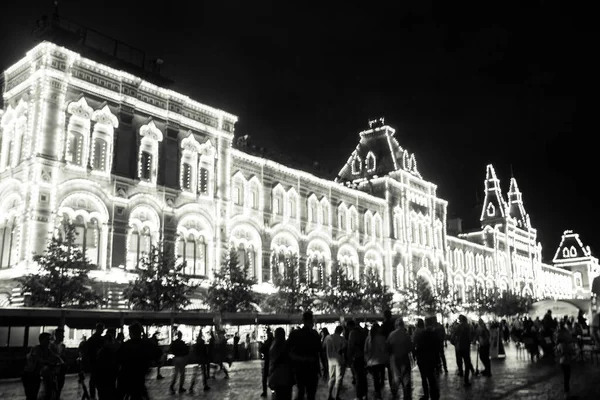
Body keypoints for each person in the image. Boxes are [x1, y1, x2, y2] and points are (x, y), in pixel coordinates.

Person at [287, 310, 321, 400]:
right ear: (312, 321)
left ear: (303, 320)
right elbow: (319, 351)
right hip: (312, 368)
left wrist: (300, 359)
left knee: (300, 392)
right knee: (311, 394)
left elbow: (288, 351)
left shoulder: (295, 334)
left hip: (299, 368)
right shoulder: (315, 334)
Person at [116, 322, 154, 400]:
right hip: (139, 377)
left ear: (131, 333)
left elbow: (118, 359)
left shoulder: (126, 345)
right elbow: (157, 353)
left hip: (125, 376)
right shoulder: (145, 344)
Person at [22, 332, 63, 400]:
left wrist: (61, 362)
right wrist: (50, 363)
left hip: (36, 375)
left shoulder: (48, 350)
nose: (49, 342)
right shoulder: (36, 349)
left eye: (50, 340)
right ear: (42, 340)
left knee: (35, 394)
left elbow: (57, 358)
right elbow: (39, 359)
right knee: (31, 395)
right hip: (29, 375)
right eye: (47, 340)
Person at [386, 317, 413, 400]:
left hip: (394, 358)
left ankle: (394, 394)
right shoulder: (406, 334)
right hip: (404, 357)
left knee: (396, 377)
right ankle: (407, 396)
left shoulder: (391, 334)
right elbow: (410, 347)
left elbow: (387, 347)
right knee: (406, 378)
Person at [414, 317, 440, 400]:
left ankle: (426, 394)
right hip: (432, 359)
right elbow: (437, 347)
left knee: (424, 377)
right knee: (432, 377)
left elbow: (419, 347)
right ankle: (434, 395)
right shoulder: (435, 333)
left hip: (423, 359)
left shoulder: (422, 334)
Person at [268, 327, 294, 400]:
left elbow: (272, 364)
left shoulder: (273, 346)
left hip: (276, 377)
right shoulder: (286, 346)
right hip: (287, 378)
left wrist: (270, 377)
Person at [365, 323, 388, 400]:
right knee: (381, 377)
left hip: (372, 362)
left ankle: (377, 393)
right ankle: (380, 392)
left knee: (375, 378)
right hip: (381, 360)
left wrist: (367, 360)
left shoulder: (368, 338)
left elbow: (366, 351)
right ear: (378, 329)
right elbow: (384, 349)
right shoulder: (382, 338)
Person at [323, 325, 347, 400]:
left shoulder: (327, 338)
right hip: (339, 360)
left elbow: (323, 347)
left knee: (331, 378)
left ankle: (329, 395)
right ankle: (337, 396)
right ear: (341, 331)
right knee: (339, 379)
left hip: (330, 360)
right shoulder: (342, 339)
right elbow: (344, 348)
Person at [347, 319, 368, 400]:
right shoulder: (362, 331)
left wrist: (349, 357)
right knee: (363, 377)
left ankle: (359, 396)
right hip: (364, 357)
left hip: (356, 356)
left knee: (358, 377)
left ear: (350, 326)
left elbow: (351, 346)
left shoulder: (352, 333)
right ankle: (365, 394)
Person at [85, 323, 105, 399]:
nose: (102, 331)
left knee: (93, 380)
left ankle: (93, 396)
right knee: (98, 380)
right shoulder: (100, 339)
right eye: (102, 329)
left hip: (93, 361)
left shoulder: (92, 338)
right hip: (98, 362)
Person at [453, 315, 474, 387]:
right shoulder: (468, 326)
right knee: (467, 363)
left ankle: (461, 372)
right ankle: (466, 380)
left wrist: (455, 342)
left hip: (459, 347)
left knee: (460, 361)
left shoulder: (458, 326)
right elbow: (470, 336)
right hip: (466, 347)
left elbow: (453, 335)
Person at [260, 328, 274, 397]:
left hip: (268, 360)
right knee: (272, 376)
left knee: (265, 377)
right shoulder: (274, 341)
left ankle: (265, 392)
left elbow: (262, 349)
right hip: (273, 361)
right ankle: (273, 390)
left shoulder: (268, 342)